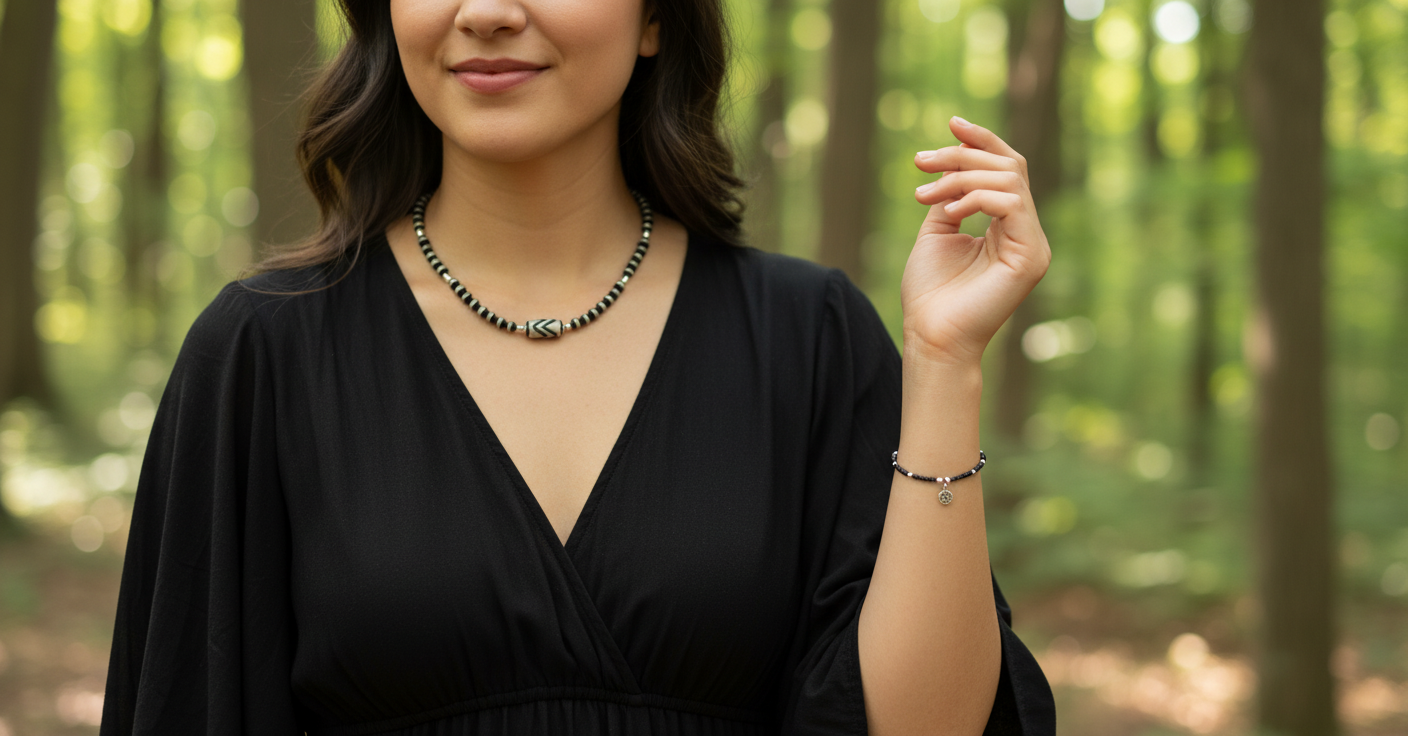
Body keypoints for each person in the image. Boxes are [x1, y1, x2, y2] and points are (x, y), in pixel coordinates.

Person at [100, 0, 1056, 733]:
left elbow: (925, 726)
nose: (485, 12)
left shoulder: (811, 338)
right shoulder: (262, 352)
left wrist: (943, 364)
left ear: (655, 19)